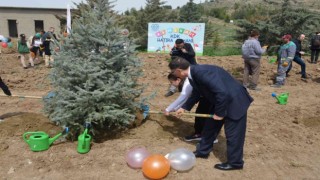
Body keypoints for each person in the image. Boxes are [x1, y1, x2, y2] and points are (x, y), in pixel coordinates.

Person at [169, 57, 253, 171]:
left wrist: (219, 113)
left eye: (173, 72)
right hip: (221, 102)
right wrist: (184, 108)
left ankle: (235, 163)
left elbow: (222, 93)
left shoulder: (200, 73)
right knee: (209, 128)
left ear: (178, 70)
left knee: (234, 135)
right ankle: (203, 151)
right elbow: (197, 93)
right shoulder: (193, 74)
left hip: (235, 101)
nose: (174, 74)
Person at [164, 73, 218, 143]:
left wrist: (168, 109)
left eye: (171, 82)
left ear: (178, 80)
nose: (172, 84)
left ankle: (208, 137)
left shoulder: (188, 83)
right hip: (205, 96)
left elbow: (183, 97)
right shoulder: (187, 82)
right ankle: (200, 134)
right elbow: (187, 99)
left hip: (211, 96)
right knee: (200, 114)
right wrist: (175, 109)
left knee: (205, 115)